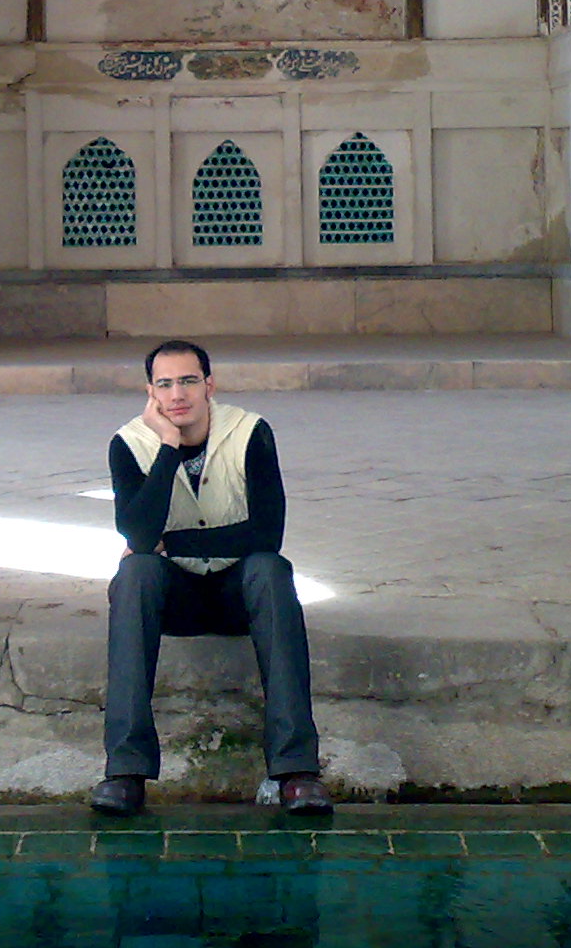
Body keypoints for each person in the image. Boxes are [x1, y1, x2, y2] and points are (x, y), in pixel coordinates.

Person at [89, 339, 331, 816]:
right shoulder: (129, 444)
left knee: (271, 570)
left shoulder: (250, 433)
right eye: (164, 384)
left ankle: (297, 771)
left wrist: (173, 542)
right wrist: (167, 446)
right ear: (151, 393)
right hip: (174, 597)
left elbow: (267, 534)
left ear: (209, 385)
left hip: (240, 593)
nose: (177, 394)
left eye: (188, 381)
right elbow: (139, 536)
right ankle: (125, 772)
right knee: (135, 572)